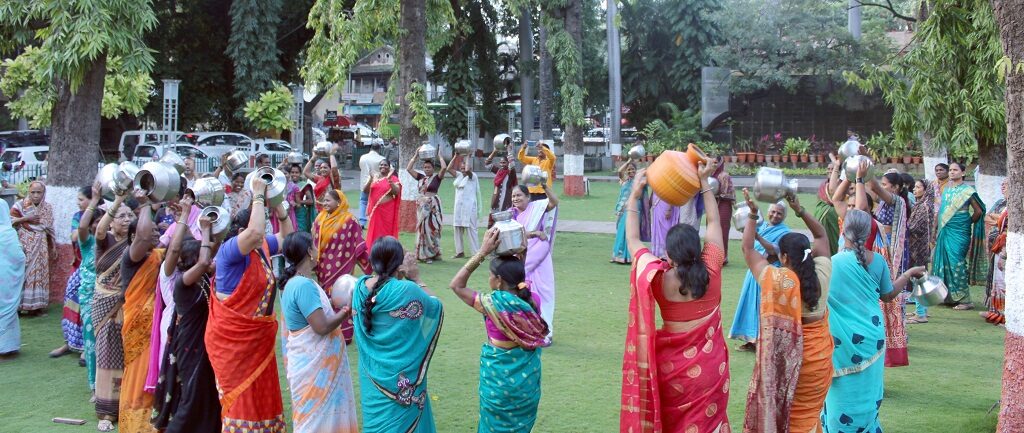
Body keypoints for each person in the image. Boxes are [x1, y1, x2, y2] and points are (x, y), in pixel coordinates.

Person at [619, 161, 730, 433]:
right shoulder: (712, 269)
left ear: (669, 254)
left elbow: (633, 241)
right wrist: (704, 182)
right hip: (709, 368)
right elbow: (714, 221)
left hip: (671, 369)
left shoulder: (656, 278)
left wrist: (635, 194)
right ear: (698, 248)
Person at [823, 209, 925, 432]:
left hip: (842, 340)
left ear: (843, 230)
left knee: (840, 393)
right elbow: (887, 295)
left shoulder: (834, 263)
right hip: (873, 339)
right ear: (869, 231)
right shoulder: (877, 261)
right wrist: (907, 275)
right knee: (868, 392)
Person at [740, 191, 833, 432]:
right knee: (808, 417)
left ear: (782, 257)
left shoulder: (778, 278)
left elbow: (748, 250)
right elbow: (821, 234)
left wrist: (752, 214)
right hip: (819, 358)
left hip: (791, 362)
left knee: (788, 419)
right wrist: (799, 209)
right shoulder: (822, 270)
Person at [206, 177, 293, 432]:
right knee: (240, 401)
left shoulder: (261, 246)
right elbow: (255, 232)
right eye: (260, 224)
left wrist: (279, 207)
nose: (263, 230)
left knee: (259, 397)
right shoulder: (230, 250)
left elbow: (287, 238)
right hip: (234, 343)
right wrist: (257, 194)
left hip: (258, 340)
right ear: (243, 230)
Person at [448, 228, 549, 432]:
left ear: (499, 280)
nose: (489, 279)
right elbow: (519, 277)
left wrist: (482, 253)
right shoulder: (532, 300)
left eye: (490, 275)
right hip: (525, 382)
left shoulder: (491, 303)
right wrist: (522, 254)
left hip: (499, 382)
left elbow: (457, 285)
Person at [352, 236, 443, 432]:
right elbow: (434, 306)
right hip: (405, 376)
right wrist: (416, 277)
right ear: (398, 263)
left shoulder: (359, 287)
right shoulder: (408, 289)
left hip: (372, 377)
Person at [279, 231, 359, 433]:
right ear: (308, 251)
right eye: (314, 245)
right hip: (314, 370)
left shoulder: (298, 283)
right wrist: (346, 310)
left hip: (310, 367)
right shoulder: (303, 285)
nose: (317, 249)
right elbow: (321, 327)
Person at [151, 212, 221, 433]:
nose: (210, 260)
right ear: (192, 259)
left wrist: (216, 227)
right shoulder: (183, 282)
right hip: (191, 345)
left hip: (204, 343)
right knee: (191, 394)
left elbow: (211, 252)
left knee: (207, 392)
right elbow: (204, 261)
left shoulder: (201, 279)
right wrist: (205, 228)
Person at [118, 190, 164, 433]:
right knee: (139, 375)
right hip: (138, 329)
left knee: (156, 375)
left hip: (158, 326)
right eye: (150, 231)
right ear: (134, 237)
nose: (155, 234)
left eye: (158, 230)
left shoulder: (159, 255)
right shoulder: (132, 256)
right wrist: (146, 204)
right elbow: (145, 235)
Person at [91, 191, 136, 432]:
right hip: (106, 303)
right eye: (121, 216)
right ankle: (106, 412)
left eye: (130, 215)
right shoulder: (106, 240)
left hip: (128, 304)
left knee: (129, 352)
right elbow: (99, 230)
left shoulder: (135, 244)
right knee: (108, 354)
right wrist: (117, 200)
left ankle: (126, 405)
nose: (126, 219)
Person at [728, 201, 791, 350]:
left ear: (784, 216)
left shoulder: (785, 232)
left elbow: (774, 250)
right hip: (753, 272)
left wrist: (757, 237)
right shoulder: (762, 226)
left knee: (763, 307)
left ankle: (764, 341)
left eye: (779, 213)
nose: (775, 215)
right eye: (773, 212)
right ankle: (751, 340)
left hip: (768, 273)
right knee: (750, 306)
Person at [864, 169, 912, 367]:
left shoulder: (897, 202)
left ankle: (895, 333)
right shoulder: (885, 202)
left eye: (886, 184)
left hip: (890, 247)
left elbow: (872, 186)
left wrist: (865, 168)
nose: (882, 187)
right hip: (881, 245)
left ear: (896, 188)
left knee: (890, 290)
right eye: (883, 184)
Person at [313, 188, 371, 342]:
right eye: (324, 200)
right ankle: (325, 327)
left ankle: (344, 333)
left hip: (341, 266)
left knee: (340, 296)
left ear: (339, 202)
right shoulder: (320, 219)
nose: (325, 203)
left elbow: (357, 244)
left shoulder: (349, 221)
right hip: (323, 267)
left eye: (328, 200)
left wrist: (370, 266)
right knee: (324, 296)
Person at [509, 182, 559, 343]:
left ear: (528, 197)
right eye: (513, 196)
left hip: (540, 256)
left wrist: (544, 186)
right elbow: (513, 234)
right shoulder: (510, 215)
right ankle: (526, 327)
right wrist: (534, 233)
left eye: (519, 195)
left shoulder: (537, 208)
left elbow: (554, 202)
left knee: (544, 291)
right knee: (523, 291)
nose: (516, 198)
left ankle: (546, 329)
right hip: (522, 258)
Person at [933, 162, 986, 309]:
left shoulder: (968, 191)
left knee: (957, 262)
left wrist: (967, 222)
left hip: (960, 230)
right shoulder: (947, 190)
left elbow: (979, 211)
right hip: (945, 230)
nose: (951, 172)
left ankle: (965, 300)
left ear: (963, 173)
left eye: (955, 170)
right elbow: (942, 211)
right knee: (944, 262)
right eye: (950, 170)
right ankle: (947, 296)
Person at [52, 186, 94, 359]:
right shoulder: (78, 216)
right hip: (77, 266)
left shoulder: (102, 216)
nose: (78, 203)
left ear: (93, 200)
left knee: (87, 307)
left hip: (93, 268)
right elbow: (74, 236)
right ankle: (69, 342)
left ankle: (87, 347)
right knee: (70, 303)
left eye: (81, 199)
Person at [10, 180, 54, 314]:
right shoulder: (19, 206)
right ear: (29, 192)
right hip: (24, 245)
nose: (35, 195)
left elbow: (48, 226)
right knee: (22, 273)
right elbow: (9, 221)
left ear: (43, 193)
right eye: (33, 192)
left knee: (39, 274)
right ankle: (18, 307)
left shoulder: (47, 208)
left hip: (41, 246)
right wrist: (25, 219)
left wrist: (53, 247)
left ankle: (35, 308)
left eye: (39, 192)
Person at [78, 184, 104, 390]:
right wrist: (94, 201)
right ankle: (94, 384)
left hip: (109, 297)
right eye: (96, 221)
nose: (98, 225)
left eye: (102, 221)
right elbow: (82, 227)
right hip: (89, 297)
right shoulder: (88, 242)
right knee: (91, 342)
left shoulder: (111, 242)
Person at [407, 153, 449, 263]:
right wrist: (416, 155)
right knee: (423, 230)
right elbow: (409, 168)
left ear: (433, 168)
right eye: (425, 167)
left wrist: (440, 155)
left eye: (429, 167)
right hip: (422, 208)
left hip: (433, 206)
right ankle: (424, 255)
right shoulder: (421, 177)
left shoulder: (437, 178)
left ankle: (434, 252)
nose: (426, 169)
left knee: (433, 229)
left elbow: (444, 167)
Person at [906, 179, 935, 324]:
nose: (914, 190)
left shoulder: (924, 207)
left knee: (919, 279)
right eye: (914, 187)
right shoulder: (921, 205)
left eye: (918, 187)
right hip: (918, 246)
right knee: (919, 279)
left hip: (919, 248)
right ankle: (921, 310)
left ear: (925, 189)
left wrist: (902, 226)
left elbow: (915, 227)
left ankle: (921, 314)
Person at [0, 198, 26, 361]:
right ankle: (7, 347)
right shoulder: (9, 233)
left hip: (5, 277)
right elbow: (19, 257)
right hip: (8, 278)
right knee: (7, 308)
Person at [982, 180, 1008, 325]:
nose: (1003, 186)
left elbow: (1004, 221)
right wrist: (999, 219)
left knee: (1004, 280)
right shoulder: (1001, 203)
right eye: (1002, 184)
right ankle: (997, 312)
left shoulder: (1016, 205)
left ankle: (1005, 314)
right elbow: (988, 216)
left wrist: (998, 219)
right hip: (999, 245)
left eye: (1007, 185)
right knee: (997, 280)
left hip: (1007, 246)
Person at [365, 159, 402, 249]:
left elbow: (396, 192)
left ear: (389, 167)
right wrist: (370, 178)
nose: (383, 166)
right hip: (375, 211)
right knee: (374, 231)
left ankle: (386, 251)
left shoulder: (394, 179)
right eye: (381, 165)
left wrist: (389, 180)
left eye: (385, 165)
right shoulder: (375, 178)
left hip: (387, 211)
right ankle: (372, 251)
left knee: (386, 232)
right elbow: (366, 191)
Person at [612, 161, 644, 264]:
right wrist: (629, 161)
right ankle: (618, 256)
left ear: (636, 170)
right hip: (622, 210)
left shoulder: (638, 183)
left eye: (633, 169)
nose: (631, 171)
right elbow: (619, 170)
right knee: (621, 232)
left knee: (630, 231)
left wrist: (637, 171)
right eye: (629, 170)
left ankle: (629, 257)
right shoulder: (624, 181)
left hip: (633, 209)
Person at [449, 156, 481, 258]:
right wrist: (455, 156)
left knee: (471, 229)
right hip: (458, 206)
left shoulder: (472, 176)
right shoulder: (459, 176)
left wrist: (468, 155)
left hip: (470, 207)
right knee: (457, 228)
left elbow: (467, 170)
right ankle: (460, 252)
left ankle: (476, 253)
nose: (463, 170)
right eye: (461, 168)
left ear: (470, 168)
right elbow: (448, 169)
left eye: (465, 168)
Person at [485, 144, 517, 227]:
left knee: (504, 227)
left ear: (507, 163)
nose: (502, 164)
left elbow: (512, 165)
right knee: (492, 228)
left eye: (504, 163)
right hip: (495, 204)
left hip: (506, 204)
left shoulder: (510, 173)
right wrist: (494, 151)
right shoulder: (499, 171)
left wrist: (509, 151)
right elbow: (487, 165)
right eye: (501, 163)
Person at [303, 147, 342, 212]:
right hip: (319, 210)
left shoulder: (333, 180)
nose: (322, 169)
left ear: (330, 169)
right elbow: (305, 172)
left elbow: (334, 169)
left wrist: (331, 154)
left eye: (325, 167)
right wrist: (313, 158)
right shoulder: (319, 179)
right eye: (321, 168)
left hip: (332, 211)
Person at [712, 157, 735, 260]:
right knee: (712, 230)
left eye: (716, 162)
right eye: (712, 162)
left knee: (723, 231)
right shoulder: (710, 175)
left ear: (720, 163)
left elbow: (729, 194)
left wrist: (718, 195)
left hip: (724, 206)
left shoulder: (724, 176)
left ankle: (723, 257)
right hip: (713, 206)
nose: (714, 165)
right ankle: (712, 256)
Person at [359, 143, 385, 227]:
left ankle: (362, 222)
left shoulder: (363, 157)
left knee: (363, 202)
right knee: (376, 203)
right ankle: (374, 221)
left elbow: (361, 168)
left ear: (370, 148)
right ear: (379, 149)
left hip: (365, 184)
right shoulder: (382, 159)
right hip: (377, 184)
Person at [649, 192, 680, 259]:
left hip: (666, 202)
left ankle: (668, 253)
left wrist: (669, 207)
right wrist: (650, 200)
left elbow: (672, 190)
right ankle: (659, 252)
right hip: (657, 202)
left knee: (666, 228)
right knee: (657, 227)